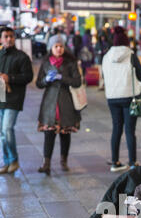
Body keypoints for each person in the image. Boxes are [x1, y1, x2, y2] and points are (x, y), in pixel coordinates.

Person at [102, 26, 141, 172]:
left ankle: (115, 162)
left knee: (116, 129)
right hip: (129, 97)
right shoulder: (131, 55)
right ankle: (132, 163)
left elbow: (104, 77)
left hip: (112, 98)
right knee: (129, 130)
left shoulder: (106, 56)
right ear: (127, 42)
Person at [36, 34, 82, 175]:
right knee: (48, 134)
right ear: (51, 47)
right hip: (49, 104)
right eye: (56, 46)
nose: (59, 49)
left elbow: (77, 82)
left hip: (66, 103)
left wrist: (63, 78)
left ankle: (64, 161)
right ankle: (46, 164)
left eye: (61, 46)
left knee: (65, 134)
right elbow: (38, 83)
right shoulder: (45, 63)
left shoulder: (70, 62)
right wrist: (46, 80)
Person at [0, 26, 33, 174]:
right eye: (6, 36)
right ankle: (7, 162)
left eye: (11, 36)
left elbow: (28, 77)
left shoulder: (22, 57)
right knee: (2, 133)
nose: (9, 39)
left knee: (7, 128)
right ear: (1, 39)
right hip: (1, 97)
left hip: (14, 98)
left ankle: (13, 160)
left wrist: (10, 78)